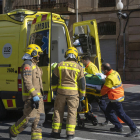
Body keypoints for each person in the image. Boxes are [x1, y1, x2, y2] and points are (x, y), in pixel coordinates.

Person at [9, 44, 45, 140]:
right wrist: (34, 95)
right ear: (33, 53)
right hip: (31, 98)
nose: (39, 56)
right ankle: (13, 131)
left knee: (40, 119)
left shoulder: (35, 65)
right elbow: (27, 81)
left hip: (39, 97)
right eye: (38, 54)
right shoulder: (27, 65)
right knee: (29, 119)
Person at [51, 47, 86, 140]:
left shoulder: (60, 65)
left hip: (61, 92)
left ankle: (56, 132)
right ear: (76, 56)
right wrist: (82, 95)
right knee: (72, 113)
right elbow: (82, 83)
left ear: (66, 55)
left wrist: (54, 90)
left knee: (58, 111)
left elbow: (54, 79)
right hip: (73, 94)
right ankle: (70, 134)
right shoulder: (79, 67)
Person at [101, 63, 140, 137]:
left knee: (121, 114)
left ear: (106, 70)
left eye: (102, 69)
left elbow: (104, 90)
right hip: (118, 95)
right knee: (109, 112)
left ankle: (134, 129)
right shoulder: (115, 72)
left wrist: (99, 94)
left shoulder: (110, 78)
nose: (102, 71)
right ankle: (118, 126)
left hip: (115, 98)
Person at [81, 56, 109, 126]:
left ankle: (108, 119)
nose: (82, 62)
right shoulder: (87, 66)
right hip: (92, 90)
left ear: (84, 60)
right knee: (86, 104)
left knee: (103, 106)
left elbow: (96, 78)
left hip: (96, 91)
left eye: (82, 61)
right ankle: (89, 116)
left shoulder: (91, 66)